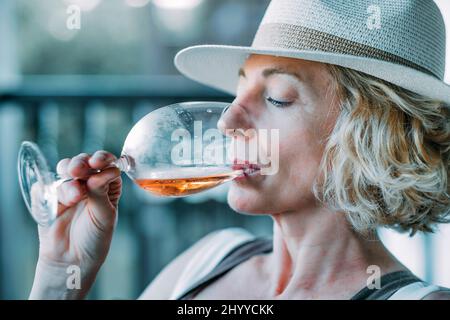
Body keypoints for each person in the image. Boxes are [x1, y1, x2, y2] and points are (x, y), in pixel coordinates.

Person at [29, 0, 450, 299]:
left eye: (278, 97)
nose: (228, 121)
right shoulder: (211, 258)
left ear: (367, 135)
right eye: (239, 88)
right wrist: (61, 274)